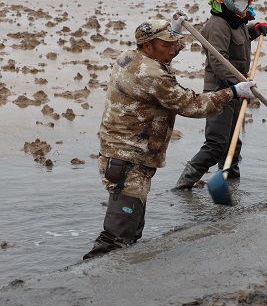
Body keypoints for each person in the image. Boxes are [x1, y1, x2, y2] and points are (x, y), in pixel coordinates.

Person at [83, 16, 257, 259]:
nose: (172, 49)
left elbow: (164, 57)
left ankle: (124, 274)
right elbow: (191, 104)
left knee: (132, 229)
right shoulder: (151, 74)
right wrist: (233, 92)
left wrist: (175, 34)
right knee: (116, 237)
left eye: (173, 43)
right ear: (148, 45)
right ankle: (93, 274)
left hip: (127, 155)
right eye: (167, 44)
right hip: (128, 158)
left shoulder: (127, 57)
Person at [174, 0, 267, 190]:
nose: (243, 3)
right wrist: (238, 86)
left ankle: (231, 182)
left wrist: (254, 29)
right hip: (220, 89)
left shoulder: (237, 19)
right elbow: (219, 61)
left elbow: (239, 38)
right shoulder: (217, 24)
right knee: (217, 143)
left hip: (238, 88)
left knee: (233, 142)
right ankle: (184, 185)